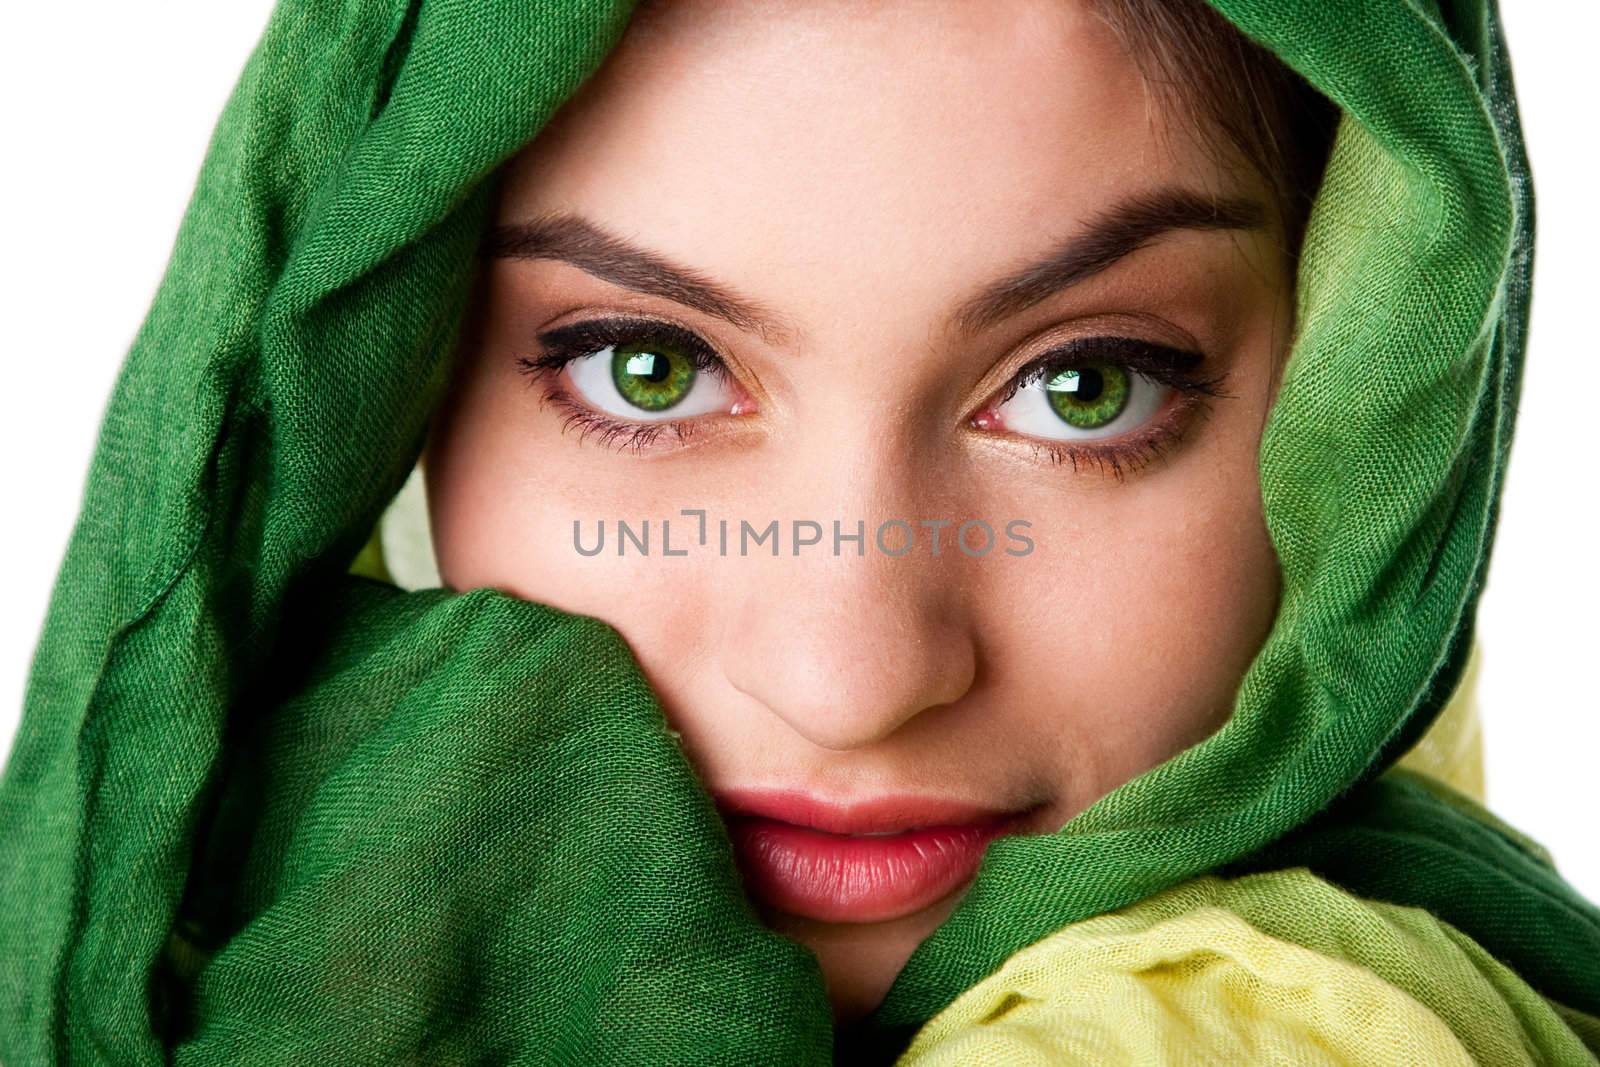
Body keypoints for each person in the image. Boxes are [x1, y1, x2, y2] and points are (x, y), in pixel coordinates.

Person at [1, 0, 1596, 1063]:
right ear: (386, 380)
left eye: (1087, 387)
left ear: (1366, 414)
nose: (850, 676)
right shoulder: (237, 911)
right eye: (652, 368)